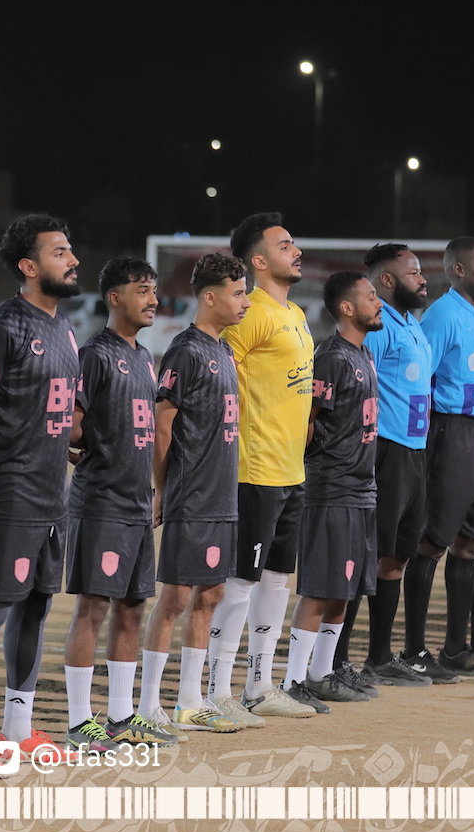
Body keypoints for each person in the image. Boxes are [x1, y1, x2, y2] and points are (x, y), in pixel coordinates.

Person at [0, 214, 80, 754]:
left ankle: (18, 728)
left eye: (70, 251)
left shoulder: (65, 328)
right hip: (6, 492)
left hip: (54, 495)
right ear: (29, 266)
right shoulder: (3, 326)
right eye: (60, 253)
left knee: (36, 609)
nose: (73, 260)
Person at [61, 258, 177, 750]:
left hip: (135, 502)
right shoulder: (94, 354)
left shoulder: (144, 356)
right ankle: (78, 721)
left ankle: (121, 716)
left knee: (131, 607)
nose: (153, 299)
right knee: (93, 608)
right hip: (102, 500)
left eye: (154, 290)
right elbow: (70, 421)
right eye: (142, 290)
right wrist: (80, 444)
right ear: (114, 298)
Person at [207, 211, 317, 721]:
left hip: (291, 470)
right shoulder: (251, 314)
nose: (296, 251)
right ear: (258, 261)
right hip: (253, 469)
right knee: (240, 583)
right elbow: (217, 379)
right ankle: (216, 692)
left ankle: (259, 686)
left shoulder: (294, 313)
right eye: (285, 244)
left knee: (276, 582)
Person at [139, 254, 249, 735]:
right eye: (237, 293)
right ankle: (148, 705)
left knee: (213, 594)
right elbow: (162, 427)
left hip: (222, 494)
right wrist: (163, 489)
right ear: (209, 296)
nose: (245, 302)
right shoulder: (185, 350)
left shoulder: (223, 349)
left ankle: (190, 702)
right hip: (193, 492)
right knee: (176, 597)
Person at [406, 237, 474, 679]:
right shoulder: (442, 314)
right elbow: (420, 379)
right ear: (459, 270)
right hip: (450, 431)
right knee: (433, 542)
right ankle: (414, 650)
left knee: (470, 543)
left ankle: (455, 649)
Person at [293, 271, 383, 703]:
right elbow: (307, 419)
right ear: (347, 308)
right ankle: (294, 681)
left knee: (344, 590)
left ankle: (322, 673)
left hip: (361, 488)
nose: (378, 302)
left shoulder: (363, 353)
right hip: (332, 487)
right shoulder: (330, 356)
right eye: (371, 296)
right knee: (319, 589)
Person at [349, 243, 433, 687]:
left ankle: (379, 657)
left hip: (415, 453)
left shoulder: (412, 324)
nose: (422, 279)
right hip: (386, 451)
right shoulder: (379, 328)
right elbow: (362, 389)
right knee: (367, 557)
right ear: (387, 280)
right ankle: (336, 660)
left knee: (397, 557)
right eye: (413, 272)